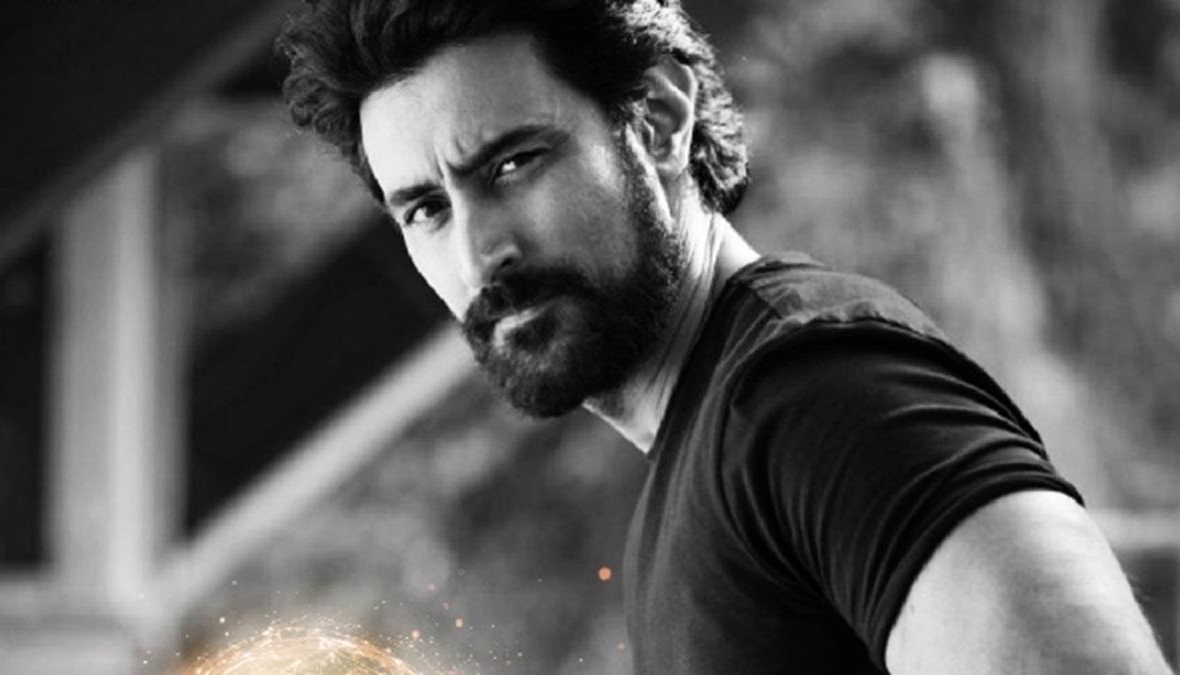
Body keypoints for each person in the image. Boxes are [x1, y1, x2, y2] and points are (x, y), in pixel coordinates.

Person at [276, 1, 1174, 673]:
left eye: (513, 163)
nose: (481, 252)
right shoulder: (700, 466)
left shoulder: (813, 394)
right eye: (426, 210)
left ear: (659, 120)